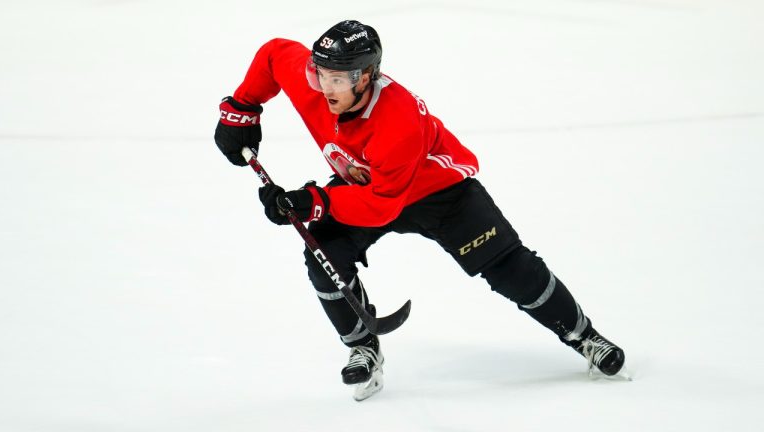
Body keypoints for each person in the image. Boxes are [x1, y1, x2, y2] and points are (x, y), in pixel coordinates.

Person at [214, 20, 625, 401]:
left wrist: (313, 203)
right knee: (324, 259)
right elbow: (274, 53)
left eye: (338, 79)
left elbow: (380, 206)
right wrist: (243, 107)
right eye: (321, 75)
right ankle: (362, 348)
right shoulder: (316, 82)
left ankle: (584, 336)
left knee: (506, 266)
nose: (326, 88)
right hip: (366, 182)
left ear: (367, 76)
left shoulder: (398, 120)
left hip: (439, 193)